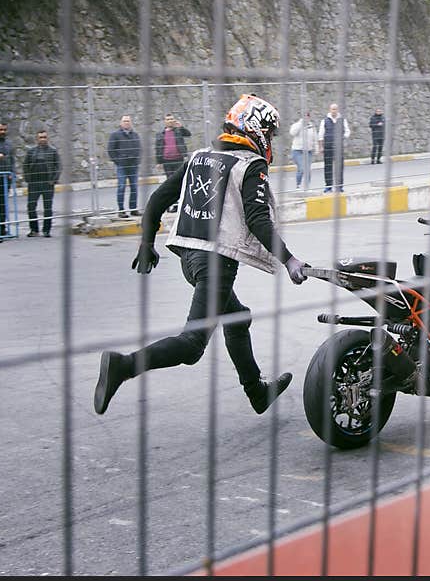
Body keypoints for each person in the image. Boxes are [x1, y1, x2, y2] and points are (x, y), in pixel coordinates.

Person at [94, 94, 308, 417]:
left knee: (238, 318)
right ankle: (122, 366)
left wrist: (147, 244)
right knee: (192, 345)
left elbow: (155, 201)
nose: (270, 140)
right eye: (268, 132)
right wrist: (289, 259)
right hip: (216, 265)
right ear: (254, 129)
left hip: (189, 260)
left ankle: (257, 393)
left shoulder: (199, 157)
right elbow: (257, 219)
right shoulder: (250, 165)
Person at [23, 130, 61, 237]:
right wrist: (28, 179)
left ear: (47, 138)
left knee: (48, 207)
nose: (43, 139)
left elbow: (58, 166)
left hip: (47, 183)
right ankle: (34, 229)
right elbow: (25, 165)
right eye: (40, 137)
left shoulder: (53, 151)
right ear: (37, 139)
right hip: (34, 183)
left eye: (44, 137)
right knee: (31, 206)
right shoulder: (31, 151)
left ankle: (46, 230)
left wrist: (53, 180)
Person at [107, 115, 142, 218]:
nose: (126, 123)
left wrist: (137, 160)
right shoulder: (115, 135)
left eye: (128, 121)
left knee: (134, 188)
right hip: (122, 166)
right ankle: (121, 210)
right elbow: (111, 150)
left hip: (133, 166)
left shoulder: (135, 135)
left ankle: (133, 209)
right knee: (121, 187)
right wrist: (118, 161)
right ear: (121, 123)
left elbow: (139, 148)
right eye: (124, 121)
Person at [317, 103, 350, 193]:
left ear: (337, 110)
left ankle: (339, 186)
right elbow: (320, 134)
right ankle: (328, 186)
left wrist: (342, 137)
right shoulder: (324, 121)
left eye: (335, 109)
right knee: (328, 167)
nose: (334, 111)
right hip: (328, 147)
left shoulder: (342, 120)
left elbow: (347, 131)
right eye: (332, 109)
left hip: (339, 147)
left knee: (339, 167)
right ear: (330, 110)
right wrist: (321, 146)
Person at [288, 112, 318, 189]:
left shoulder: (311, 126)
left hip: (308, 151)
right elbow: (292, 133)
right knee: (301, 168)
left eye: (308, 117)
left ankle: (307, 187)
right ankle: (299, 185)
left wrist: (316, 148)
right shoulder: (297, 125)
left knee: (308, 169)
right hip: (298, 151)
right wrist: (300, 124)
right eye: (304, 117)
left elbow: (315, 138)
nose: (306, 119)